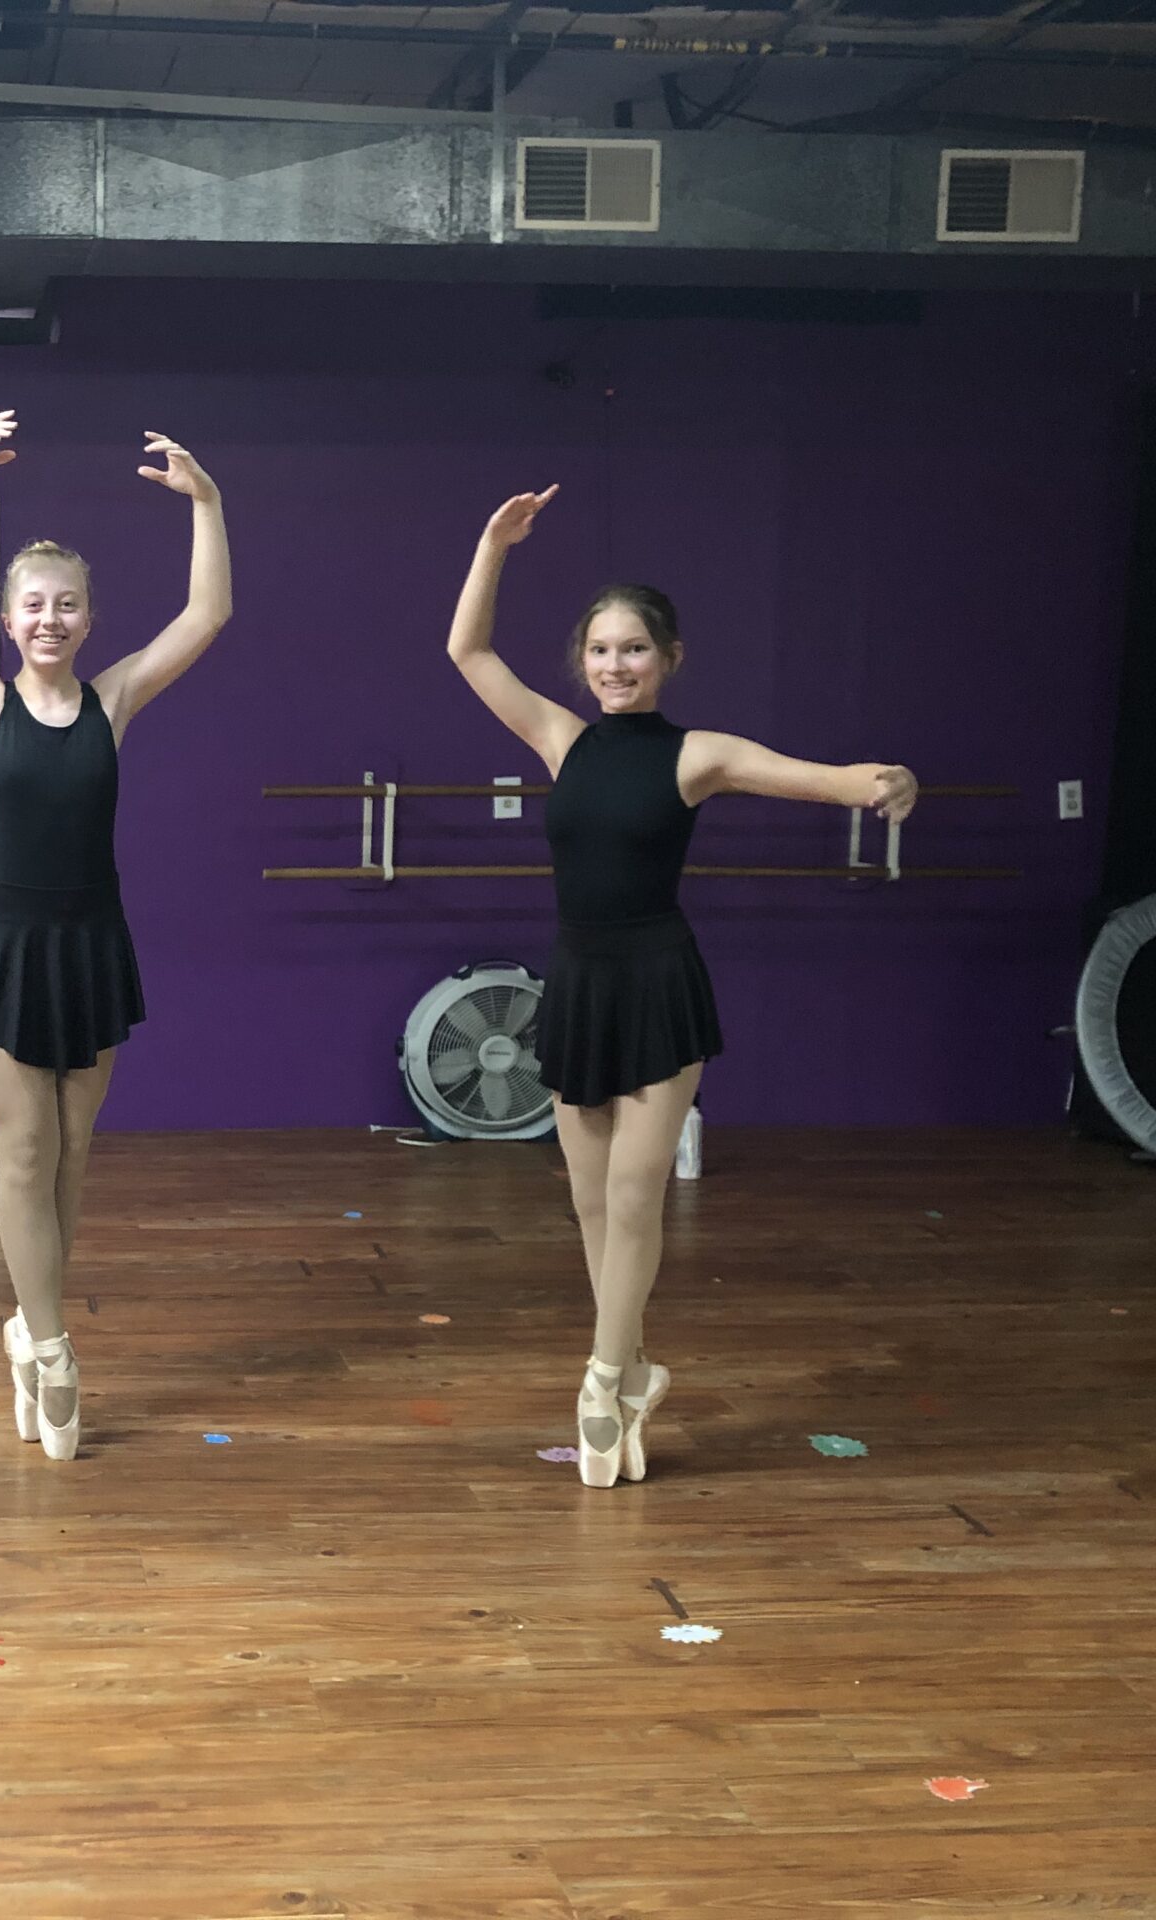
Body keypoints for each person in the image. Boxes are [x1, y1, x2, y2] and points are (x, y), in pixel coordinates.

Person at [445, 485, 917, 1488]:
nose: (614, 665)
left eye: (633, 650)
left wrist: (883, 781)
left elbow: (816, 775)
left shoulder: (695, 755)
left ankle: (601, 1379)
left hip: (658, 981)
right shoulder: (559, 740)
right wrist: (493, 546)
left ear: (669, 660)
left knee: (631, 1189)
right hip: (576, 980)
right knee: (584, 1198)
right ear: (582, 661)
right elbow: (469, 655)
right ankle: (635, 1367)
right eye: (600, 650)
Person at [0, 410, 231, 1460]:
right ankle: (49, 1348)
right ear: (7, 620)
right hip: (6, 945)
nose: (49, 618)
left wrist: (207, 503)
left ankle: (30, 1322)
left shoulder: (113, 698)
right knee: (24, 1149)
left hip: (91, 943)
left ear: (87, 620)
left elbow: (207, 615)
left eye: (65, 605)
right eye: (31, 605)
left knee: (72, 1158)